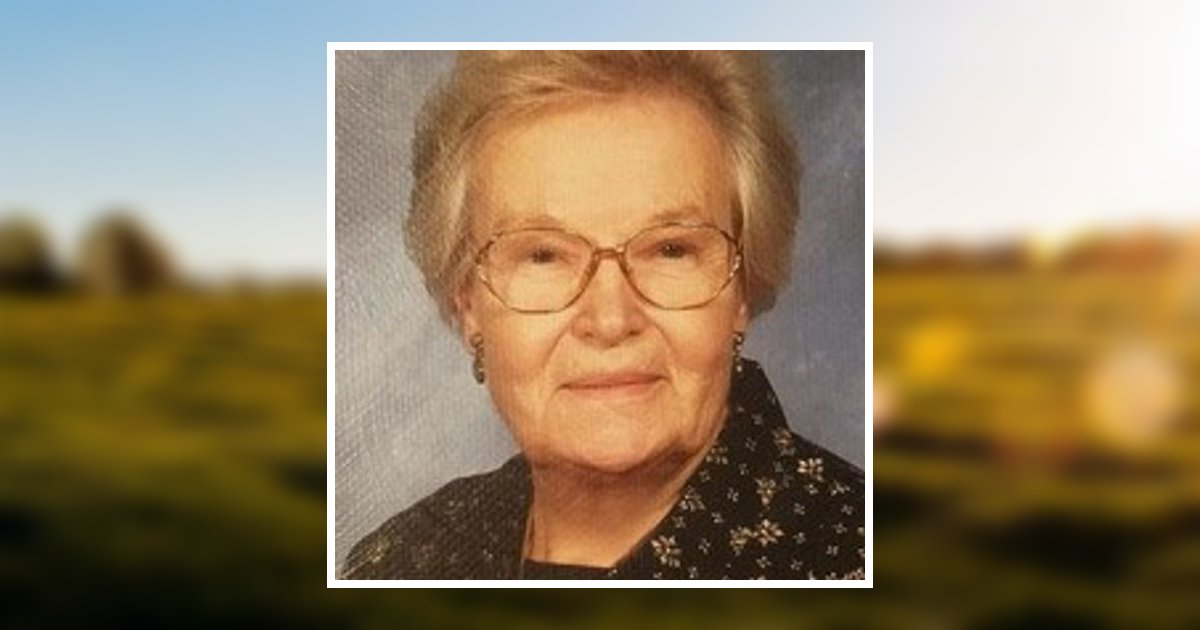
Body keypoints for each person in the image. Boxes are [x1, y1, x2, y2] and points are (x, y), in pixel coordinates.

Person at [341, 50, 863, 580]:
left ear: (742, 287)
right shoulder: (398, 561)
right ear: (468, 302)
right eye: (543, 255)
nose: (611, 321)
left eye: (671, 250)